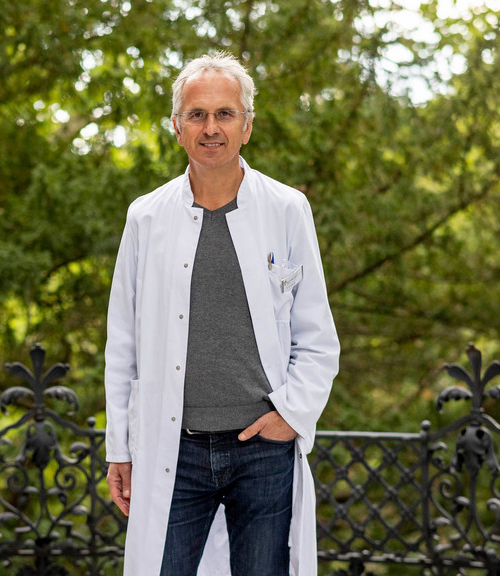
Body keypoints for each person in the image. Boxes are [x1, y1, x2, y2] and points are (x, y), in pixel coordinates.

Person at [104, 51, 340, 576]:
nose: (211, 128)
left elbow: (318, 337)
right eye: (197, 115)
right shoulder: (145, 217)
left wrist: (290, 417)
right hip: (173, 449)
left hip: (262, 451)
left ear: (247, 126)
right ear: (177, 127)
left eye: (225, 114)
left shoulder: (286, 209)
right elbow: (122, 344)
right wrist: (120, 447)